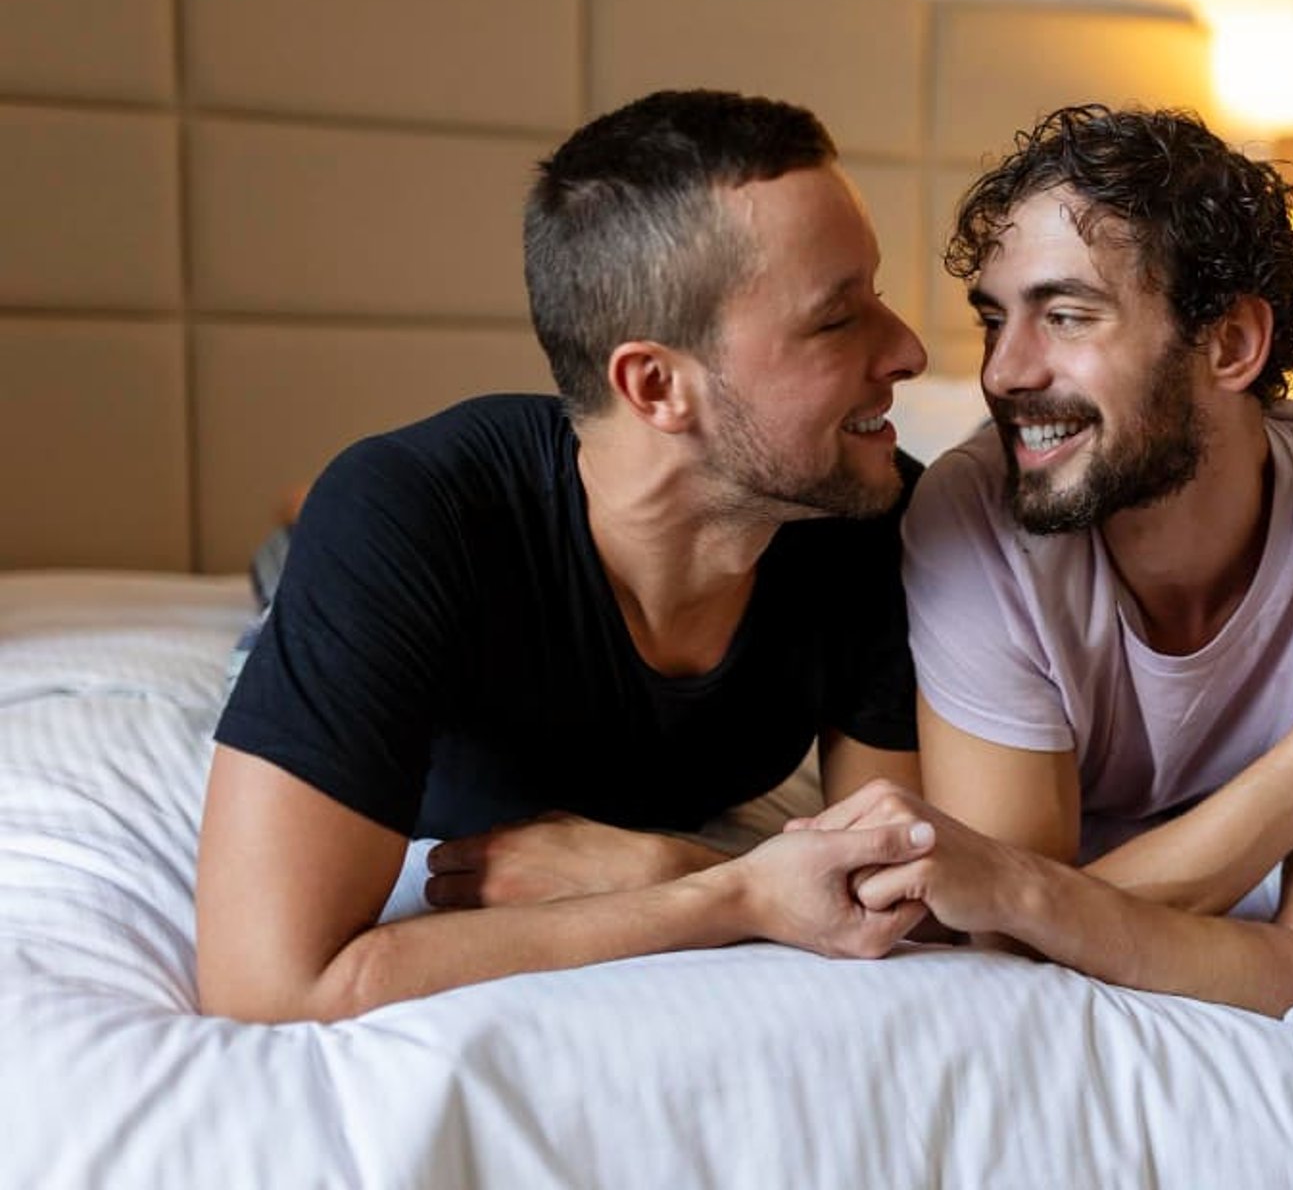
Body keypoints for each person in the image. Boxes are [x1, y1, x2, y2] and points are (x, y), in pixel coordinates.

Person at [195, 90, 938, 1023]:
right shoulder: (411, 517)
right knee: (308, 541)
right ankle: (300, 514)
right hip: (390, 534)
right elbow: (265, 983)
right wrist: (729, 892)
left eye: (875, 293)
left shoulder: (872, 516)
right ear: (656, 384)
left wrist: (665, 863)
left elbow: (889, 880)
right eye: (839, 320)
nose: (907, 348)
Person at [795, 104, 1293, 1018]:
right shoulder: (972, 515)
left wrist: (1034, 897)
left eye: (1065, 315)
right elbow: (1000, 926)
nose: (1005, 373)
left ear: (1230, 345)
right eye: (994, 321)